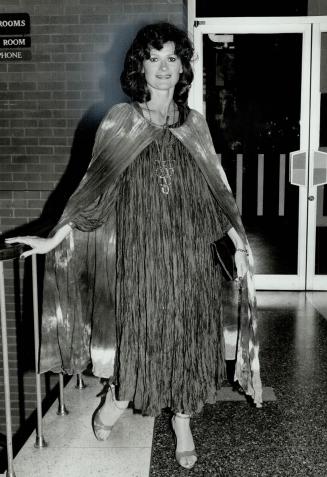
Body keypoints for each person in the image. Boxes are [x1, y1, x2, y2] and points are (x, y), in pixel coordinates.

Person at [5, 22, 262, 470]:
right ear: (139, 66)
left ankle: (183, 420)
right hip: (141, 259)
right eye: (154, 58)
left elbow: (216, 194)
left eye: (172, 59)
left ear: (183, 67)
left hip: (193, 259)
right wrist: (53, 239)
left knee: (190, 340)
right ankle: (121, 398)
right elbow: (94, 194)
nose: (163, 68)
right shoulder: (121, 120)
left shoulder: (195, 125)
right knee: (140, 334)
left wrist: (238, 242)